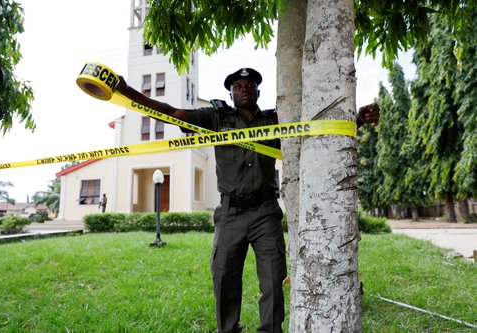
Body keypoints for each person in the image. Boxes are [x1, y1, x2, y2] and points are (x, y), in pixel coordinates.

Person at [117, 68, 379, 333]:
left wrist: (355, 120)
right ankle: (228, 329)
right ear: (230, 93)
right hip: (230, 213)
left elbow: (315, 132)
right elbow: (172, 113)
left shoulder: (276, 120)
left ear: (258, 91)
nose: (244, 89)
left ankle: (270, 330)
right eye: (238, 86)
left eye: (250, 84)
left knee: (274, 278)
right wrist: (127, 93)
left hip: (266, 212)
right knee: (224, 277)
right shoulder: (216, 118)